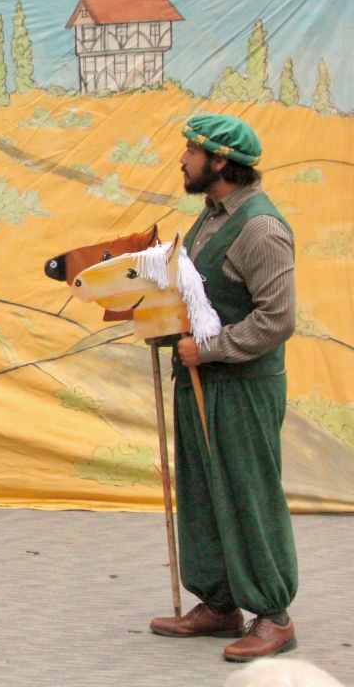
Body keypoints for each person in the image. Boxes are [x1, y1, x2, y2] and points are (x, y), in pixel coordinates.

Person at [149, 114, 298, 661]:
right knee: (203, 492)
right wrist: (161, 324)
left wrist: (209, 349)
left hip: (242, 387)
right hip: (199, 381)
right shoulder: (211, 217)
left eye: (190, 151)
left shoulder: (261, 229)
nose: (182, 159)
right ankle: (219, 602)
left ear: (220, 161)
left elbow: (277, 319)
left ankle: (274, 614)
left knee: (247, 494)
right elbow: (200, 295)